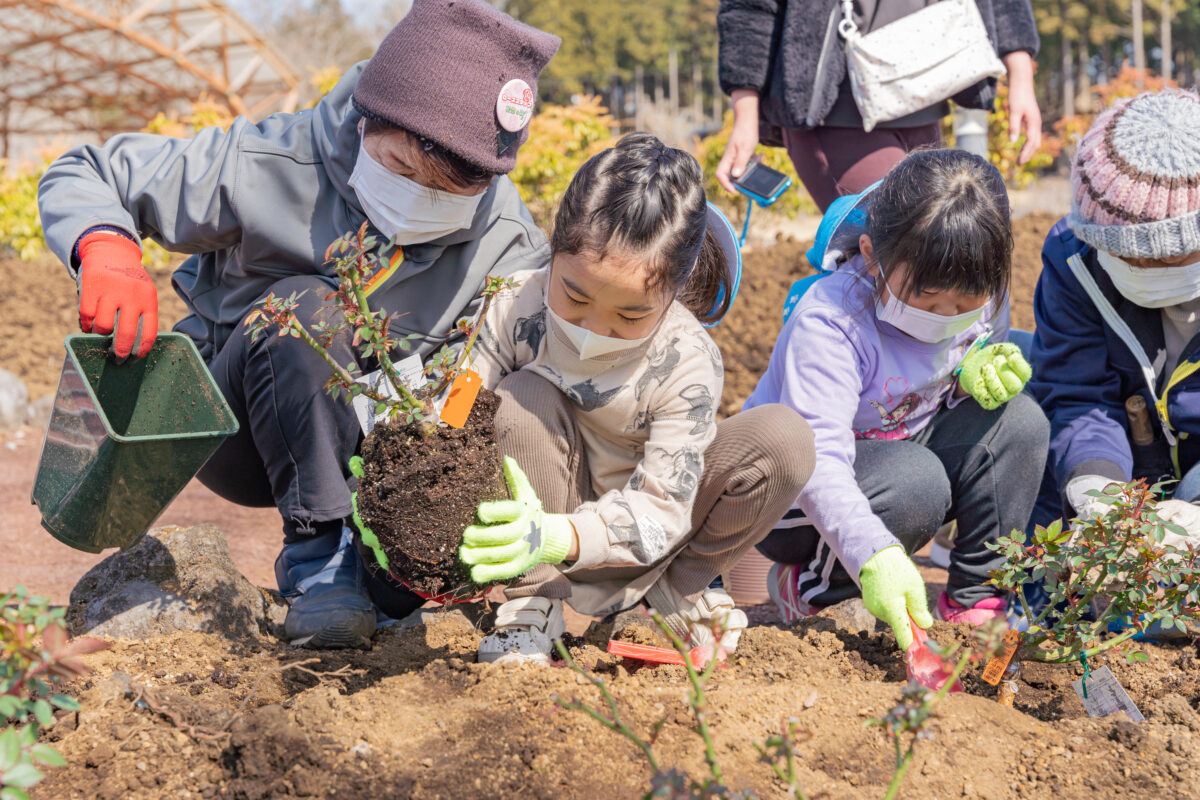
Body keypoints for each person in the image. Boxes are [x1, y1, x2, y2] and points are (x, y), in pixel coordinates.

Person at [37, 0, 560, 649]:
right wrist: (107, 248)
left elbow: (554, 348)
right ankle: (320, 561)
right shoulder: (274, 162)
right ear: (372, 121)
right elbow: (90, 170)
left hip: (382, 448)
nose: (421, 199)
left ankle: (393, 574)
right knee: (308, 310)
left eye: (450, 192)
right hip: (243, 426)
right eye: (402, 170)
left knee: (490, 420)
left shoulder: (504, 235)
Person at [446, 133, 816, 664]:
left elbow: (663, 511)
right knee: (519, 395)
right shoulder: (513, 307)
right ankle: (532, 605)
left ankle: (672, 596)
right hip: (537, 522)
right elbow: (456, 411)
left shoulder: (687, 360)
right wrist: (411, 453)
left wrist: (560, 535)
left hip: (646, 537)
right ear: (554, 248)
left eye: (631, 315)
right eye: (574, 295)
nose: (595, 326)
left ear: (675, 289)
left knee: (784, 439)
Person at [745, 149, 1049, 649]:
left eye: (966, 300)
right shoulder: (833, 323)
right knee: (916, 481)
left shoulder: (985, 285)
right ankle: (816, 589)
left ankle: (977, 600)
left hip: (901, 445)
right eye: (928, 298)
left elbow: (981, 342)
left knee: (1018, 424)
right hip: (791, 490)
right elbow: (817, 457)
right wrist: (873, 554)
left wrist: (975, 370)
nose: (948, 313)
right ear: (871, 254)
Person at [1028, 90, 1200, 537]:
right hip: (1133, 462)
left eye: (1166, 259)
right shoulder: (1075, 260)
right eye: (1123, 254)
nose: (1143, 270)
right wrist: (1097, 488)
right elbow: (1077, 394)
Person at [714, 0, 1041, 212]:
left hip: (925, 97)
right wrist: (745, 114)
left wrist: (1021, 75)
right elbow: (748, 9)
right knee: (899, 259)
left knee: (923, 264)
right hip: (836, 113)